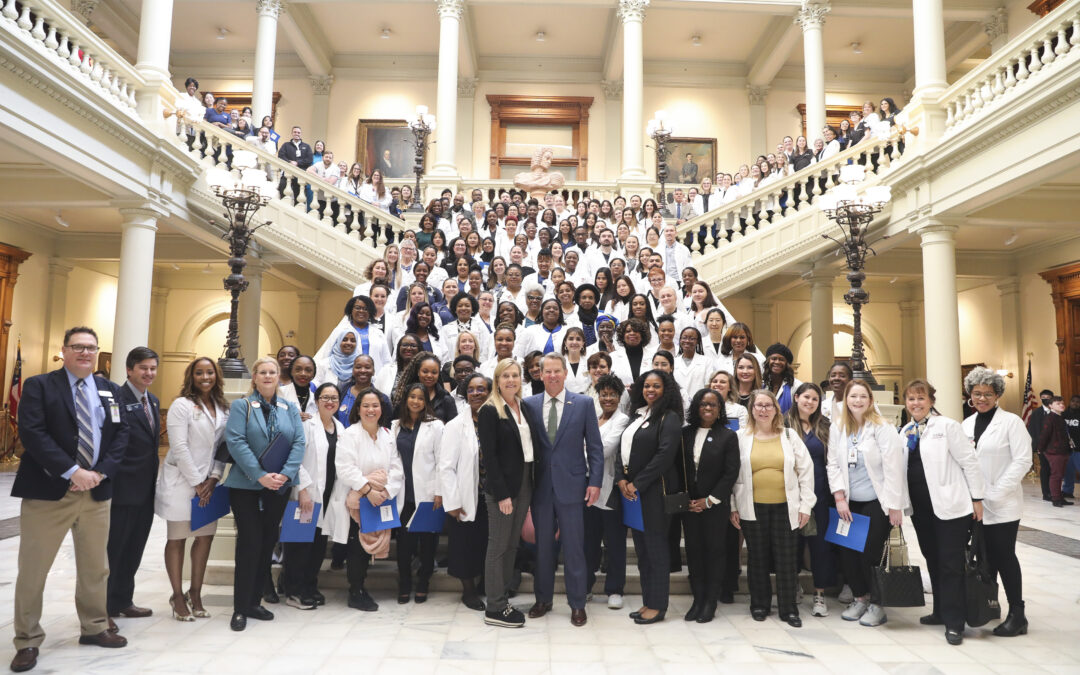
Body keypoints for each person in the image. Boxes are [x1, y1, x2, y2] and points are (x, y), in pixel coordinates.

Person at [11, 327, 130, 671]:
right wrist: (71, 470)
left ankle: (94, 627)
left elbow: (120, 434)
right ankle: (28, 639)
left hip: (96, 492)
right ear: (64, 350)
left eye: (90, 348)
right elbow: (33, 432)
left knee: (96, 567)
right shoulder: (40, 386)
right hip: (49, 492)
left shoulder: (109, 390)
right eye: (77, 347)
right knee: (33, 571)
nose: (85, 352)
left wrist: (99, 472)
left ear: (97, 352)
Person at [223, 357, 307, 632]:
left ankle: (255, 601)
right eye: (263, 372)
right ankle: (240, 608)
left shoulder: (289, 407)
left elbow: (298, 441)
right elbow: (235, 441)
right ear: (255, 378)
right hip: (247, 485)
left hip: (279, 486)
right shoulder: (241, 406)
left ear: (278, 376)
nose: (268, 376)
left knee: (267, 541)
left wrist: (285, 474)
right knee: (248, 543)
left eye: (273, 372)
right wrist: (260, 474)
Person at [900, 379, 986, 645]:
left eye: (921, 398)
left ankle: (954, 622)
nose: (916, 403)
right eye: (911, 399)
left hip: (950, 507)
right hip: (922, 509)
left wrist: (977, 498)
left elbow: (969, 462)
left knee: (950, 565)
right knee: (933, 560)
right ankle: (939, 611)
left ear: (931, 401)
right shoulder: (905, 431)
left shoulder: (947, 426)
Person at [522, 354, 604, 627]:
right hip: (541, 488)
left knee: (574, 548)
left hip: (573, 486)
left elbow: (594, 447)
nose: (553, 376)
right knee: (543, 548)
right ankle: (543, 599)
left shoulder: (583, 403)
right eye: (548, 371)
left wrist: (595, 482)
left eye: (558, 371)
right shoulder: (529, 405)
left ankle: (578, 603)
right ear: (541, 374)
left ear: (565, 373)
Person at [731, 389, 815, 627]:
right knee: (757, 558)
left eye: (768, 405)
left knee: (786, 559)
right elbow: (732, 476)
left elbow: (806, 472)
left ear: (776, 410)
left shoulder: (789, 436)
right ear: (752, 409)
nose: (763, 409)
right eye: (759, 405)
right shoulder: (740, 437)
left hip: (786, 508)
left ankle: (788, 609)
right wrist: (733, 506)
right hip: (752, 507)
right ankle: (759, 604)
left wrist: (806, 506)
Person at [827, 379, 906, 628]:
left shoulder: (882, 427)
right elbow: (833, 464)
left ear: (870, 400)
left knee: (870, 554)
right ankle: (860, 598)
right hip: (849, 503)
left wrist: (895, 505)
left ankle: (877, 603)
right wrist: (839, 497)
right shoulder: (838, 428)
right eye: (853, 397)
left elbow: (894, 468)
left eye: (863, 396)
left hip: (876, 502)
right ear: (846, 400)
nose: (857, 401)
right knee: (849, 554)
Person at [961, 367, 1032, 637]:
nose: (982, 399)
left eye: (988, 394)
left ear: (998, 394)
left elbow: (1023, 460)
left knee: (1004, 557)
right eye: (977, 393)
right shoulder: (966, 424)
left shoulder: (1012, 423)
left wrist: (995, 492)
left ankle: (1018, 614)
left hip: (1003, 505)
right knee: (984, 559)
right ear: (970, 394)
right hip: (974, 505)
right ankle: (990, 604)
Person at [157, 357, 228, 622]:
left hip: (209, 484)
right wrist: (198, 482)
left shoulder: (223, 408)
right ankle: (177, 596)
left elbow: (222, 448)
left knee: (205, 538)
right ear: (192, 376)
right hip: (181, 482)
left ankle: (195, 594)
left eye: (210, 372)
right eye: (199, 373)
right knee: (177, 539)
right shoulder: (181, 406)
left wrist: (213, 479)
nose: (205, 377)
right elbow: (179, 447)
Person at [325, 389, 404, 612]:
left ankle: (361, 587)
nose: (371, 410)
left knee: (371, 543)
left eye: (375, 405)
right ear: (358, 409)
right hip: (357, 499)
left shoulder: (388, 435)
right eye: (366, 405)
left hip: (380, 498)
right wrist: (368, 490)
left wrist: (386, 491)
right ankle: (355, 590)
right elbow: (345, 468)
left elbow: (397, 468)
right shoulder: (349, 435)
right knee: (357, 546)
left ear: (382, 409)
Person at [617, 370, 682, 624]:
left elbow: (665, 456)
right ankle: (648, 601)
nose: (650, 390)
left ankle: (658, 605)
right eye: (646, 386)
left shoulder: (670, 417)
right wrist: (621, 480)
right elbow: (624, 450)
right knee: (642, 551)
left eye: (656, 386)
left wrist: (637, 483)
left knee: (656, 551)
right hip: (632, 492)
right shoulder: (638, 414)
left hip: (655, 492)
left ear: (666, 389)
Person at [107, 347, 160, 621]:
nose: (149, 373)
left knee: (134, 549)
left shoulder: (153, 401)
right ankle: (103, 609)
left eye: (153, 368)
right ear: (129, 370)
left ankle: (123, 600)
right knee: (114, 551)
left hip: (145, 491)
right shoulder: (116, 398)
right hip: (122, 490)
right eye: (143, 368)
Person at [479, 359, 533, 628]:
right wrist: (502, 495)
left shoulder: (523, 407)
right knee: (498, 547)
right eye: (505, 376)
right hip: (503, 488)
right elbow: (489, 457)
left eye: (515, 375)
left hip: (524, 483)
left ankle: (502, 598)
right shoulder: (490, 410)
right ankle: (495, 607)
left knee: (512, 544)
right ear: (497, 380)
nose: (511, 380)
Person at [281, 382, 344, 610]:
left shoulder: (340, 428)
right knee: (299, 545)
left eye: (334, 398)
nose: (330, 402)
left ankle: (309, 585)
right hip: (305, 494)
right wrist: (303, 490)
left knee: (318, 545)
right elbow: (293, 459)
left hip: (328, 496)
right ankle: (294, 591)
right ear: (317, 401)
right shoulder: (307, 425)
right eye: (325, 397)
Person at [681, 389, 740, 624]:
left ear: (720, 409)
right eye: (703, 404)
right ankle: (698, 599)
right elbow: (678, 469)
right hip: (689, 504)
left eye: (713, 405)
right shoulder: (684, 434)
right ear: (696, 407)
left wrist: (709, 500)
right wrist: (686, 500)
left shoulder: (727, 436)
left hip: (714, 505)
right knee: (694, 552)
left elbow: (730, 473)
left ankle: (710, 602)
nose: (708, 408)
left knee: (714, 552)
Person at [439, 373, 492, 611]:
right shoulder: (455, 426)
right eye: (471, 389)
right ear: (465, 394)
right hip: (464, 496)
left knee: (485, 543)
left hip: (490, 496)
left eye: (482, 389)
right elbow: (446, 467)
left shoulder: (497, 420)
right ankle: (468, 590)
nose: (476, 393)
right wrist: (451, 501)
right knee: (463, 545)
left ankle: (483, 585)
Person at [784, 382, 836, 617]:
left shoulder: (826, 427)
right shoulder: (782, 424)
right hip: (789, 494)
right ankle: (792, 586)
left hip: (821, 493)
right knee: (791, 544)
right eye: (806, 397)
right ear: (796, 398)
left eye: (815, 399)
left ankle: (819, 594)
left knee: (820, 546)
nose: (810, 402)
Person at [390, 383, 445, 603]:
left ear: (426, 402)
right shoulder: (394, 426)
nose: (415, 401)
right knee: (404, 546)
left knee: (428, 545)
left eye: (420, 398)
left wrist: (440, 492)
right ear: (405, 400)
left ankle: (424, 582)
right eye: (412, 397)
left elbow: (443, 461)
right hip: (403, 494)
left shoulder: (436, 426)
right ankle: (404, 583)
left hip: (428, 495)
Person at [584, 374, 631, 610]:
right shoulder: (593, 418)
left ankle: (615, 589)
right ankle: (586, 586)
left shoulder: (622, 420)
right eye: (604, 394)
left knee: (614, 541)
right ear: (598, 396)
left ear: (619, 396)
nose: (608, 398)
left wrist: (582, 451)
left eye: (613, 394)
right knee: (588, 541)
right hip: (588, 487)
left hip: (611, 488)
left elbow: (603, 451)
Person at [1038, 396, 1072, 506]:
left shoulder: (1059, 417)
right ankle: (1056, 499)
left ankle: (1059, 497)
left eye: (1062, 403)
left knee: (1060, 475)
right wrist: (1040, 449)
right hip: (1054, 451)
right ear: (1050, 406)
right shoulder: (1050, 418)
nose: (1062, 405)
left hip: (1063, 451)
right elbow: (1044, 435)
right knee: (1056, 475)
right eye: (1058, 403)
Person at [1026, 388, 1055, 501]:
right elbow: (1033, 431)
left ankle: (1055, 492)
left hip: (1056, 446)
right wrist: (1037, 446)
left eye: (1048, 398)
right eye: (1043, 398)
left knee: (1055, 470)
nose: (1045, 400)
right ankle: (1046, 493)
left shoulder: (1056, 411)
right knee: (1046, 469)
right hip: (1043, 447)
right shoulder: (1036, 413)